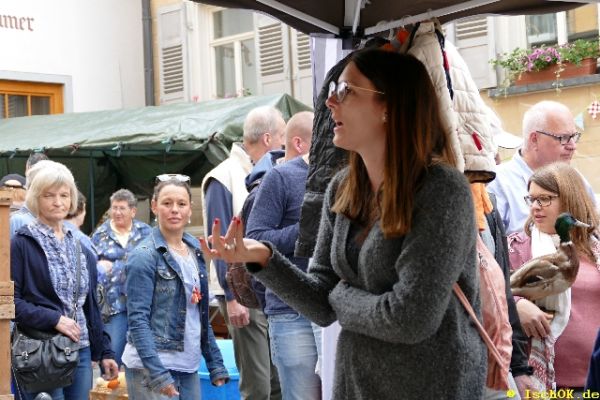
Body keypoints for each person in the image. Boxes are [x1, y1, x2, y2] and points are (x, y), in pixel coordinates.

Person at [202, 49, 486, 399]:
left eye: (346, 91)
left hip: (431, 386)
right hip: (358, 384)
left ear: (388, 105)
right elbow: (322, 303)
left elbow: (411, 318)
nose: (330, 102)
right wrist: (262, 258)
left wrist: (342, 297)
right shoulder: (343, 188)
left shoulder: (441, 189)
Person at [11, 163, 118, 400]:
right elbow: (12, 303)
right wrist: (54, 319)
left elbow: (90, 304)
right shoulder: (22, 243)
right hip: (42, 350)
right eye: (49, 195)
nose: (58, 202)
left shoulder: (79, 245)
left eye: (64, 195)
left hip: (81, 348)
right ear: (36, 198)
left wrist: (104, 351)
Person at [201, 106, 285, 400]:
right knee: (257, 385)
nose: (285, 144)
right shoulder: (223, 176)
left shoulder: (269, 171)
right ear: (267, 138)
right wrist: (232, 297)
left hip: (269, 290)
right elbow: (220, 241)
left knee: (277, 381)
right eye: (282, 137)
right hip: (241, 292)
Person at [122, 175, 228, 399]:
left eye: (181, 204)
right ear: (154, 206)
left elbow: (200, 314)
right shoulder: (143, 256)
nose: (174, 210)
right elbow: (138, 320)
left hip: (188, 366)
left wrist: (215, 363)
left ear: (190, 209)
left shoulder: (195, 249)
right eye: (167, 203)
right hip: (150, 370)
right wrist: (159, 375)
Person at [507, 162, 600, 396]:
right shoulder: (517, 248)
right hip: (543, 382)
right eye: (531, 199)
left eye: (545, 199)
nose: (535, 207)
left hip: (595, 378)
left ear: (570, 200)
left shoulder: (596, 249)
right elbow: (490, 296)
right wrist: (516, 305)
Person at [246, 111, 320, 400]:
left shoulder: (349, 175)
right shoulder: (280, 177)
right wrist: (307, 230)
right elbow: (255, 240)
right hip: (291, 313)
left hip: (333, 310)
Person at [487, 100, 596, 234]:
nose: (573, 146)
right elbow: (491, 243)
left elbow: (595, 225)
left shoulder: (576, 179)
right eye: (563, 138)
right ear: (534, 139)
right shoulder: (496, 183)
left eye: (574, 137)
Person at [91, 188, 152, 367]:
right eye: (114, 208)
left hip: (142, 305)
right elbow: (90, 268)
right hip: (112, 307)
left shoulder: (146, 232)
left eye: (122, 208)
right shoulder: (99, 235)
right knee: (113, 356)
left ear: (133, 211)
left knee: (141, 358)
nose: (117, 212)